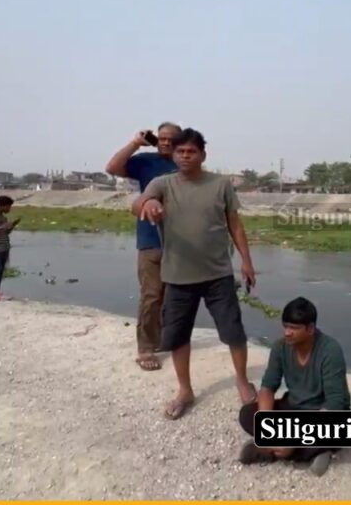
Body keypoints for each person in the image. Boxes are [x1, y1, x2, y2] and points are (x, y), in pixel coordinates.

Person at [132, 128, 258, 419]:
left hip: (218, 274)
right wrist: (148, 203)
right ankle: (185, 390)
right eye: (180, 151)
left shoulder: (220, 184)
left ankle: (242, 380)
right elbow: (137, 204)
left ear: (203, 155)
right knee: (178, 337)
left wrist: (246, 262)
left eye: (191, 151)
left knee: (234, 332)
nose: (185, 156)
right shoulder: (162, 184)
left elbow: (235, 224)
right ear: (173, 154)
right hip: (177, 277)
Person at [237, 296, 350, 477]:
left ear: (310, 329)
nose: (287, 333)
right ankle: (300, 451)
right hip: (294, 408)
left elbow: (335, 403)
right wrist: (266, 426)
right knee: (247, 414)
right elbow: (267, 388)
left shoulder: (330, 351)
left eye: (294, 328)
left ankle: (297, 450)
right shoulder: (280, 347)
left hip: (323, 413)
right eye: (286, 326)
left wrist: (295, 438)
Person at [106, 123, 183, 371]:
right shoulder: (145, 161)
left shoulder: (185, 163)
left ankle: (164, 338)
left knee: (173, 296)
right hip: (151, 240)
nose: (165, 142)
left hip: (180, 242)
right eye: (162, 138)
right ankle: (146, 348)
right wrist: (135, 143)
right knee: (151, 295)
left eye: (171, 139)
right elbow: (112, 168)